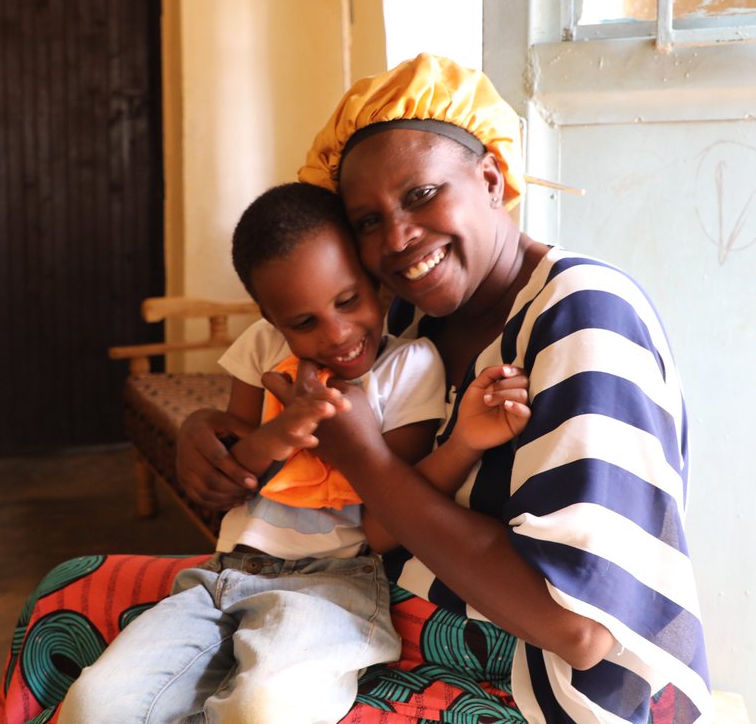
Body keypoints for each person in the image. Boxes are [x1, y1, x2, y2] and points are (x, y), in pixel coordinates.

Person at [176, 54, 712, 723]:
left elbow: (578, 630)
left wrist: (364, 460)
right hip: (370, 619)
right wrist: (204, 429)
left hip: (529, 689)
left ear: (491, 178)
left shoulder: (581, 313)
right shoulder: (399, 317)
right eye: (367, 221)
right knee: (74, 609)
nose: (398, 238)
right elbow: (278, 403)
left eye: (422, 195)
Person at [57, 181, 531, 724]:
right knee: (97, 702)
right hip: (222, 579)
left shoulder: (409, 367)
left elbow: (381, 528)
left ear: (375, 283)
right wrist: (287, 429)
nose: (338, 334)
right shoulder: (262, 349)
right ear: (271, 319)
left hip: (334, 586)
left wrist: (458, 443)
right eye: (303, 323)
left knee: (262, 708)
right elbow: (231, 474)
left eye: (348, 300)